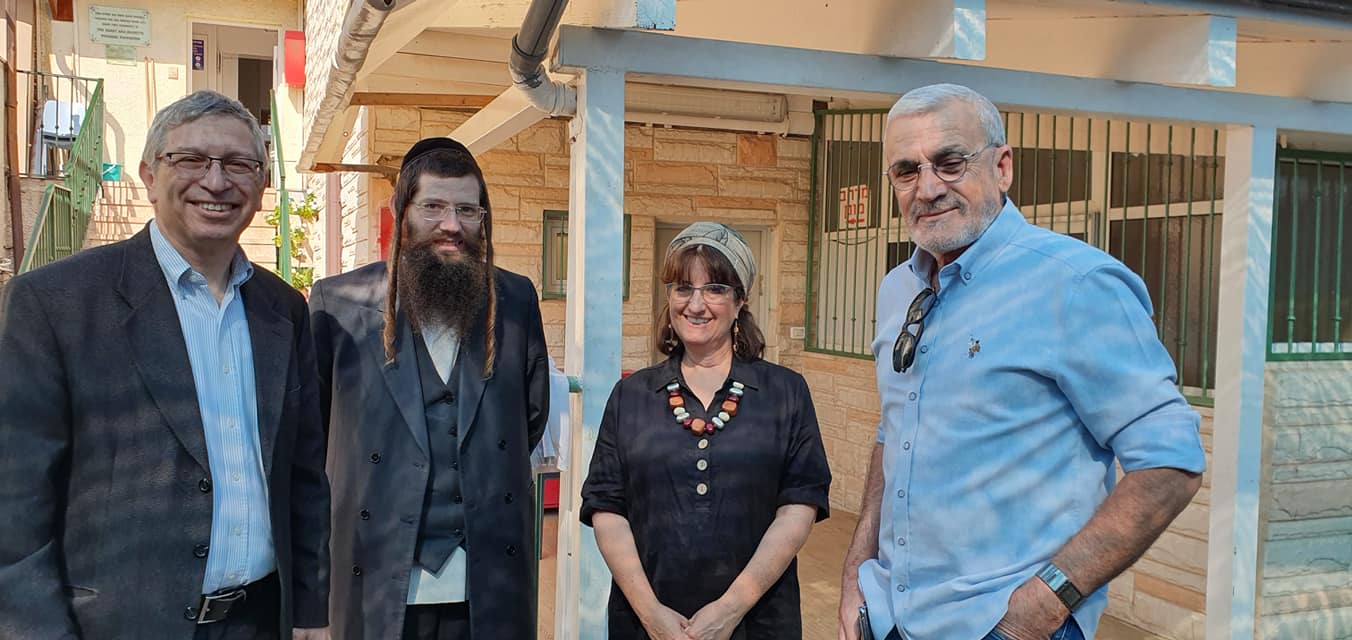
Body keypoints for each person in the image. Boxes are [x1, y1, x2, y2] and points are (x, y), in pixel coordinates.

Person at [836, 83, 1206, 640]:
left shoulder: (1076, 284)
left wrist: (1042, 605)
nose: (928, 188)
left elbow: (1170, 462)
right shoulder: (897, 289)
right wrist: (856, 576)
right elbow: (894, 434)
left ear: (1002, 166)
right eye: (906, 171)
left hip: (1005, 625)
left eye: (950, 163)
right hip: (889, 617)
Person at [0, 90, 331, 639]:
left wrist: (311, 611)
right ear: (149, 176)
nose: (216, 181)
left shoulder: (283, 310)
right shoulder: (55, 304)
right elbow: (14, 506)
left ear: (261, 184)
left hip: (260, 621)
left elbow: (303, 475)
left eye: (239, 164)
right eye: (192, 159)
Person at [310, 137, 549, 639]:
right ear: (402, 212)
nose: (451, 225)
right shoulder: (338, 304)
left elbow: (530, 419)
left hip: (487, 579)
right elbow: (316, 436)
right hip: (378, 576)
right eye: (433, 207)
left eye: (467, 210)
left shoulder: (516, 299)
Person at [581, 222, 832, 640]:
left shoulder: (785, 393)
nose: (696, 304)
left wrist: (730, 610)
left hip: (757, 623)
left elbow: (798, 507)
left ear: (740, 300)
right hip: (647, 624)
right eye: (683, 288)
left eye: (714, 288)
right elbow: (606, 508)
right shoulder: (631, 396)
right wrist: (652, 615)